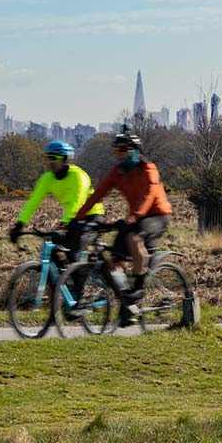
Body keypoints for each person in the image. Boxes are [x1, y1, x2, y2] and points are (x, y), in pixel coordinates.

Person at [73, 129, 172, 324]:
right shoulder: (117, 172)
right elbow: (97, 194)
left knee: (133, 238)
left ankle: (138, 288)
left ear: (135, 151)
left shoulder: (148, 168)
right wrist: (78, 218)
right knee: (113, 260)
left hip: (156, 215)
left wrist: (134, 216)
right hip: (134, 217)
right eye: (116, 150)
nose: (119, 154)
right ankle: (127, 306)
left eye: (123, 149)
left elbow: (148, 195)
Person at [8, 140, 105, 264]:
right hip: (71, 219)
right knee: (52, 250)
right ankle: (61, 281)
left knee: (73, 252)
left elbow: (77, 202)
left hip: (91, 215)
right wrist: (19, 225)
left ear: (65, 159)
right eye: (48, 157)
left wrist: (64, 224)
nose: (50, 161)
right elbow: (33, 202)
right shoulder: (47, 179)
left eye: (54, 157)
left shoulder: (79, 176)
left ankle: (78, 281)